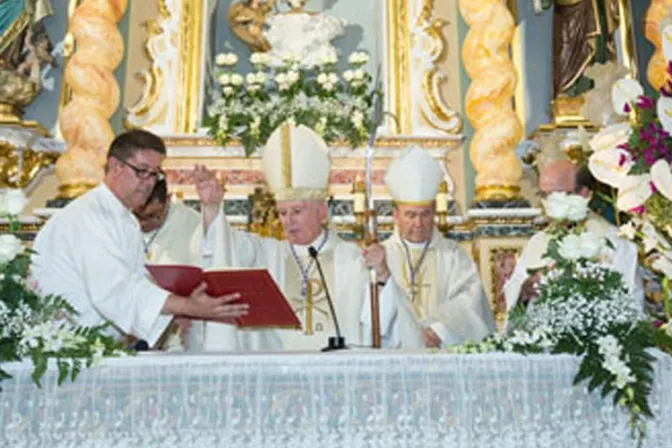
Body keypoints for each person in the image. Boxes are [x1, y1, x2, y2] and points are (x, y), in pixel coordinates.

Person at [188, 122, 405, 351]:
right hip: (276, 371)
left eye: (297, 211)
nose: (288, 220)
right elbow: (224, 248)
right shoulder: (266, 253)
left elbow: (382, 322)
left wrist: (381, 274)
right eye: (282, 212)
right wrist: (212, 207)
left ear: (321, 211)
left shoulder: (352, 258)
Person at [31, 129, 248, 348]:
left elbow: (136, 282)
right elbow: (114, 287)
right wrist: (187, 306)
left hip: (95, 347)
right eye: (142, 171)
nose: (149, 182)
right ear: (116, 166)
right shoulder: (89, 215)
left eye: (155, 174)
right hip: (65, 348)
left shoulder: (124, 218)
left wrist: (174, 313)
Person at [382, 147, 496, 348]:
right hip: (396, 350)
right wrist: (408, 334)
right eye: (410, 215)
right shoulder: (383, 255)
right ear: (396, 215)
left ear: (434, 212)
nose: (418, 223)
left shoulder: (451, 254)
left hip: (442, 348)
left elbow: (470, 297)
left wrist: (440, 330)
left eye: (425, 214)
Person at [503, 159, 644, 310]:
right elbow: (514, 290)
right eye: (543, 195)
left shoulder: (615, 241)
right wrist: (525, 288)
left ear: (582, 193)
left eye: (556, 194)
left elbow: (630, 299)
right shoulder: (537, 241)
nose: (549, 202)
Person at [134, 179, 200, 265]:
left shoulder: (192, 224)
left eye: (151, 216)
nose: (142, 223)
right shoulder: (117, 219)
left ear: (168, 200)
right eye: (136, 215)